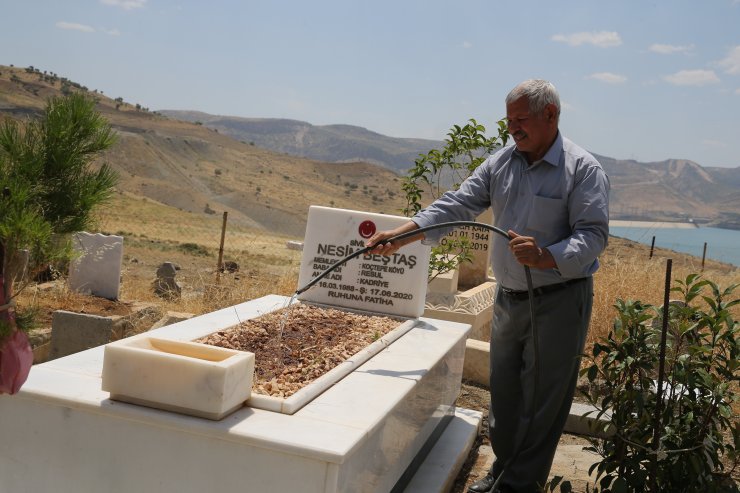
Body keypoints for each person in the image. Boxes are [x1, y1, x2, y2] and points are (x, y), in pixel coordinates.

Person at [367, 79, 609, 493]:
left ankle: (517, 485)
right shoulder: (501, 162)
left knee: (542, 403)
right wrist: (402, 234)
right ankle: (503, 471)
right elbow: (457, 204)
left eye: (521, 119)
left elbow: (593, 235)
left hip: (559, 300)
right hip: (509, 298)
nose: (512, 128)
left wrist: (547, 255)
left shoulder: (582, 169)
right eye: (509, 120)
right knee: (507, 396)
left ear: (550, 115)